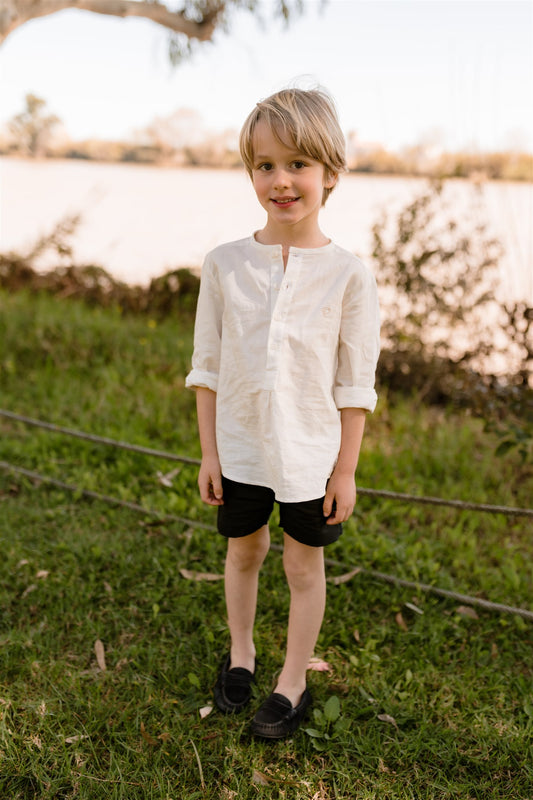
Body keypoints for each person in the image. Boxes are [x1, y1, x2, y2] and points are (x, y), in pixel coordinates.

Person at [185, 87, 380, 739]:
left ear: (330, 171)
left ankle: (292, 680)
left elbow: (354, 385)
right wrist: (210, 454)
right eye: (264, 165)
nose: (281, 181)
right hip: (240, 448)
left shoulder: (349, 275)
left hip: (311, 456)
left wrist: (344, 470)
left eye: (297, 163)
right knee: (244, 551)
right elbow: (207, 368)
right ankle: (241, 654)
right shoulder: (224, 264)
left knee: (301, 565)